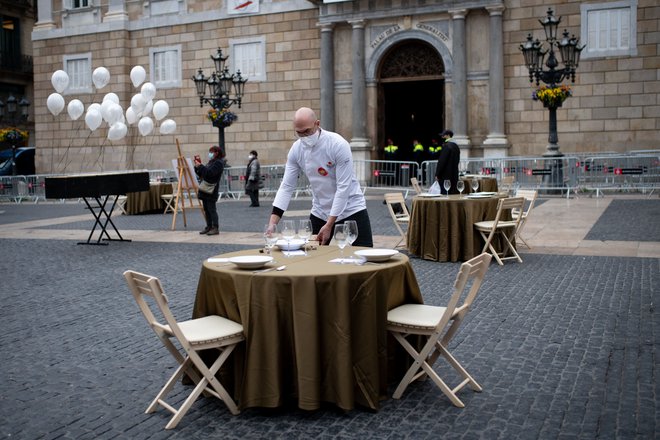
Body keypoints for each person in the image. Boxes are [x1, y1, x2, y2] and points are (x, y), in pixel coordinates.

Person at [267, 107, 373, 247]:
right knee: (311, 258)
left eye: (307, 131)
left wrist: (330, 224)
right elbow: (286, 187)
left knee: (364, 255)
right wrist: (272, 224)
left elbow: (343, 187)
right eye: (299, 133)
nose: (304, 136)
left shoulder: (338, 144)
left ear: (317, 124)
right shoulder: (296, 150)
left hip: (352, 208)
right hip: (320, 211)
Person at [194, 145, 225, 235]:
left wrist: (201, 166)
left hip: (211, 189)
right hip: (205, 189)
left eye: (212, 152)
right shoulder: (211, 162)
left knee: (211, 209)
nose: (210, 154)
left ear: (217, 153)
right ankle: (209, 226)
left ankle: (215, 227)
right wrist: (197, 167)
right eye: (210, 152)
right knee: (206, 209)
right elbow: (203, 174)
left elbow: (210, 173)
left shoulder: (218, 163)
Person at [435, 129, 461, 194]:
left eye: (443, 135)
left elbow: (442, 161)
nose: (442, 137)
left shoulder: (447, 146)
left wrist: (437, 174)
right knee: (453, 193)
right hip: (454, 174)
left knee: (445, 194)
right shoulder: (456, 146)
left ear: (448, 135)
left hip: (445, 176)